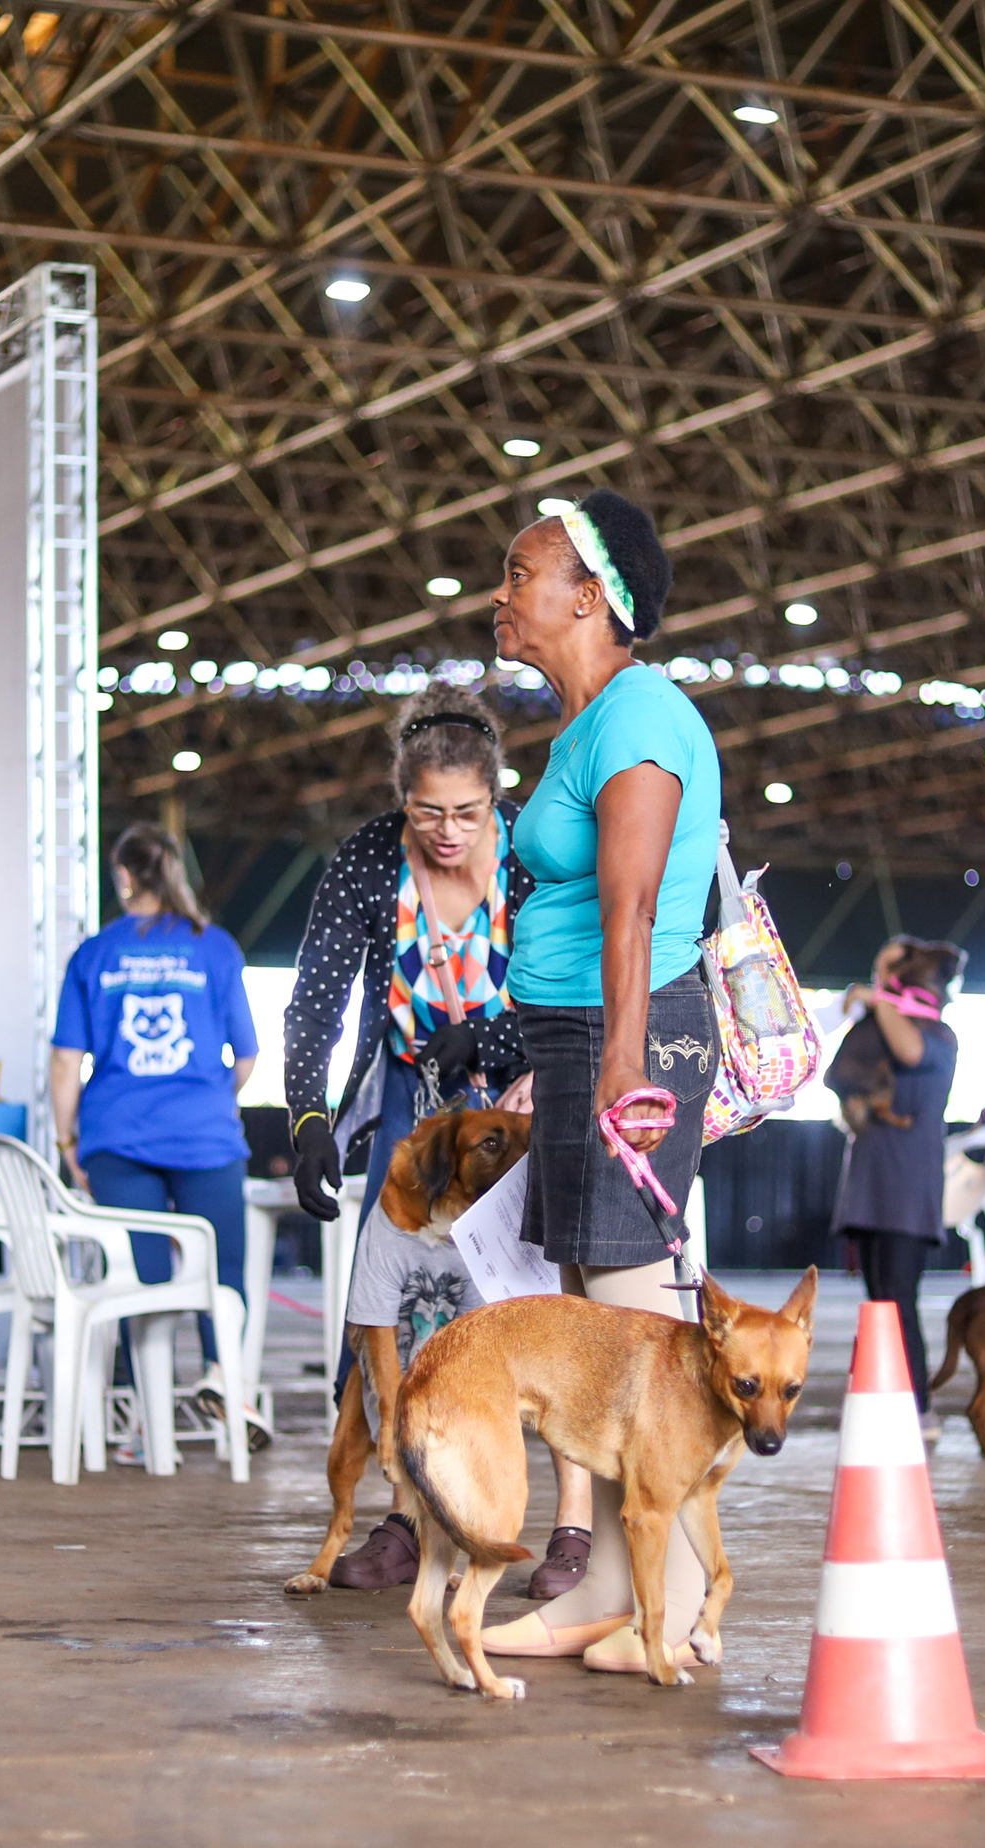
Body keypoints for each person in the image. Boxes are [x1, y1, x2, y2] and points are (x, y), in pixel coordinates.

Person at [469, 489, 725, 1677]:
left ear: (589, 596)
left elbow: (632, 904)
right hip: (580, 1036)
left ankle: (675, 1608)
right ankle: (615, 1599)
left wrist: (622, 1060)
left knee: (637, 1339)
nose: (500, 594)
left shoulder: (643, 715)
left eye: (519, 572)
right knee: (598, 1332)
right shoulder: (584, 724)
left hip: (637, 1033)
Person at [282, 686, 556, 1591]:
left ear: (496, 797)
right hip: (413, 1091)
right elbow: (315, 1001)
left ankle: (559, 1524)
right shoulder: (369, 859)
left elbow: (579, 977)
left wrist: (495, 1035)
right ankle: (404, 1515)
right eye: (428, 811)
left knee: (524, 1289)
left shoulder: (533, 855)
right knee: (389, 1294)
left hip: (522, 1088)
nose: (448, 831)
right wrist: (310, 1119)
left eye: (468, 812)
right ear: (403, 799)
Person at [48, 822, 260, 1458]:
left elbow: (65, 1061)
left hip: (117, 1134)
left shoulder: (94, 953)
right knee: (221, 1272)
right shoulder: (215, 947)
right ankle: (226, 1379)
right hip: (205, 1136)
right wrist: (207, 1098)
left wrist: (66, 1140)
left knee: (141, 1283)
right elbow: (247, 1056)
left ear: (123, 876)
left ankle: (148, 1425)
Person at [834, 937, 964, 1418]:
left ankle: (917, 1409)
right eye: (877, 974)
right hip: (869, 1184)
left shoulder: (940, 1037)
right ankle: (886, 1403)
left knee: (898, 1298)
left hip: (908, 1190)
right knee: (878, 1301)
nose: (881, 982)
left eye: (889, 973)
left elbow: (910, 1052)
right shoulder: (875, 1028)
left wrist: (877, 1000)